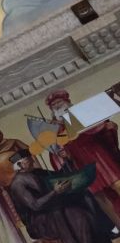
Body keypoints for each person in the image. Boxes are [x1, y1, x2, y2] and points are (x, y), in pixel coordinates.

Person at [9, 150, 114, 243]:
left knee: (85, 196)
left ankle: (105, 233)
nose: (33, 161)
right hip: (40, 219)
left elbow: (60, 176)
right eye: (28, 160)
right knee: (77, 214)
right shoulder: (18, 183)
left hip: (54, 207)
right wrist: (55, 192)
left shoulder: (37, 172)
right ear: (20, 165)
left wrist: (67, 160)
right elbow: (35, 205)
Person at [45, 89, 120, 229]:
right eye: (53, 105)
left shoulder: (82, 115)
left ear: (67, 102)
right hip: (81, 164)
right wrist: (61, 155)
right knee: (100, 197)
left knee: (117, 184)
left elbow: (97, 127)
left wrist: (107, 127)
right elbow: (55, 151)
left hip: (99, 156)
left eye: (59, 102)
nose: (57, 106)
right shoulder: (54, 129)